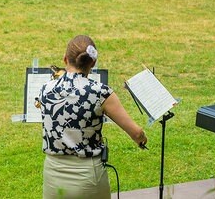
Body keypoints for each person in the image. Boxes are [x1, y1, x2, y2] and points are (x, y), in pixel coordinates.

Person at [39, 35, 147, 199]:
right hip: (88, 178)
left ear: (65, 59)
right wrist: (142, 140)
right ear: (93, 63)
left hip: (53, 176)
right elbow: (136, 133)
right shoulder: (100, 92)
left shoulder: (45, 89)